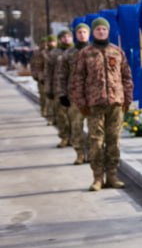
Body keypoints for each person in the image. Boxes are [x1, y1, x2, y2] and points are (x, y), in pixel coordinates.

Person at [69, 17, 133, 191]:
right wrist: (81, 102)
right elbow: (77, 79)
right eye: (98, 30)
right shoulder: (85, 53)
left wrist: (127, 99)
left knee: (114, 141)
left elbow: (126, 77)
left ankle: (112, 175)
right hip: (94, 104)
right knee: (96, 141)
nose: (101, 32)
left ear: (108, 31)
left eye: (104, 29)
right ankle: (97, 178)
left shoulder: (117, 52)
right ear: (93, 32)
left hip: (115, 103)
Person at [55, 23, 91, 165]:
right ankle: (80, 154)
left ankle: (92, 154)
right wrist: (62, 94)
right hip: (75, 96)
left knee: (94, 128)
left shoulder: (94, 51)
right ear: (76, 35)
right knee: (76, 126)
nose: (82, 34)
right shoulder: (68, 54)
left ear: (89, 34)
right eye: (79, 32)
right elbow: (61, 75)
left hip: (94, 96)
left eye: (84, 32)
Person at [46, 29, 74, 147]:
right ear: (60, 39)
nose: (66, 39)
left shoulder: (76, 51)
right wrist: (49, 89)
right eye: (63, 37)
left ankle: (74, 138)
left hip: (74, 89)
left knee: (74, 117)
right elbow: (49, 72)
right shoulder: (54, 53)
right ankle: (64, 137)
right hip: (59, 89)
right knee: (61, 116)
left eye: (68, 36)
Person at [29, 37, 48, 119]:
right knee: (42, 95)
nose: (45, 45)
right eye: (43, 43)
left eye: (46, 43)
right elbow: (32, 65)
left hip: (50, 78)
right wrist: (34, 75)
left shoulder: (49, 52)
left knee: (50, 97)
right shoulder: (36, 53)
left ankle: (49, 113)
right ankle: (43, 110)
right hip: (41, 78)